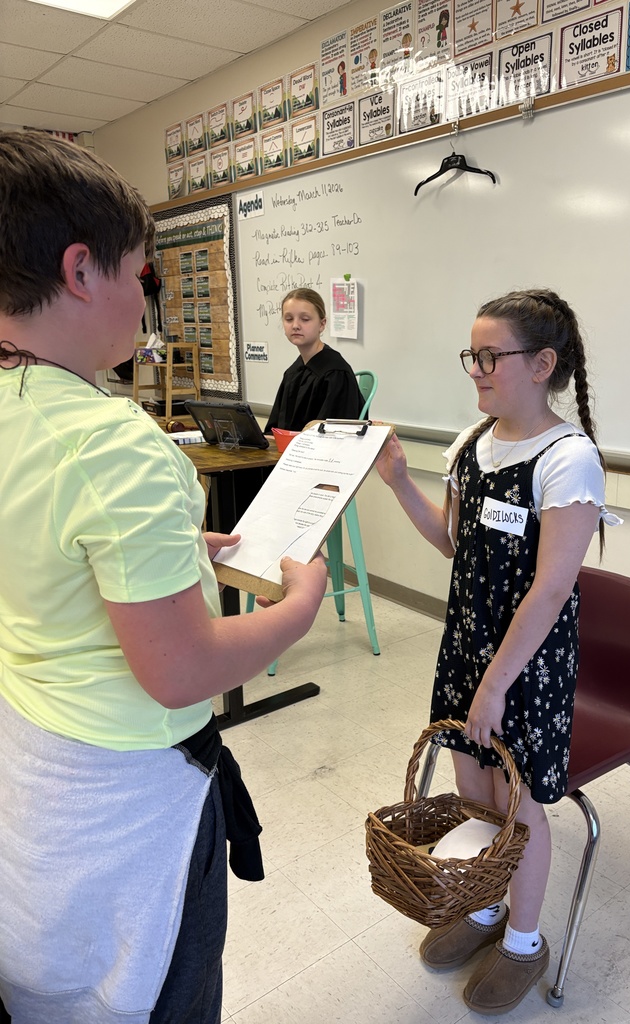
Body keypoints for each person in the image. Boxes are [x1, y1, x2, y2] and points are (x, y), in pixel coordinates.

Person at [0, 131, 328, 1024]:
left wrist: (181, 552)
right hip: (126, 796)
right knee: (157, 997)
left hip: (32, 762)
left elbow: (55, 553)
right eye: (139, 272)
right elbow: (182, 669)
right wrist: (299, 608)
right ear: (81, 270)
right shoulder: (111, 440)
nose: (144, 298)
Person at [376, 289, 621, 1016]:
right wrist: (398, 481)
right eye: (472, 355)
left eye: (491, 356)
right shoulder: (472, 443)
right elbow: (455, 546)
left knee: (518, 808)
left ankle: (523, 940)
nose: (476, 370)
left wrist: (494, 686)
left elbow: (550, 591)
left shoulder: (568, 459)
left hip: (523, 667)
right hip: (466, 648)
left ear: (542, 364)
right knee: (473, 794)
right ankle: (484, 905)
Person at [265, 288, 364, 433]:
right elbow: (274, 429)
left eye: (305, 319)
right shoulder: (293, 372)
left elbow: (333, 436)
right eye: (289, 319)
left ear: (322, 324)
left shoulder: (335, 374)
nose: (295, 325)